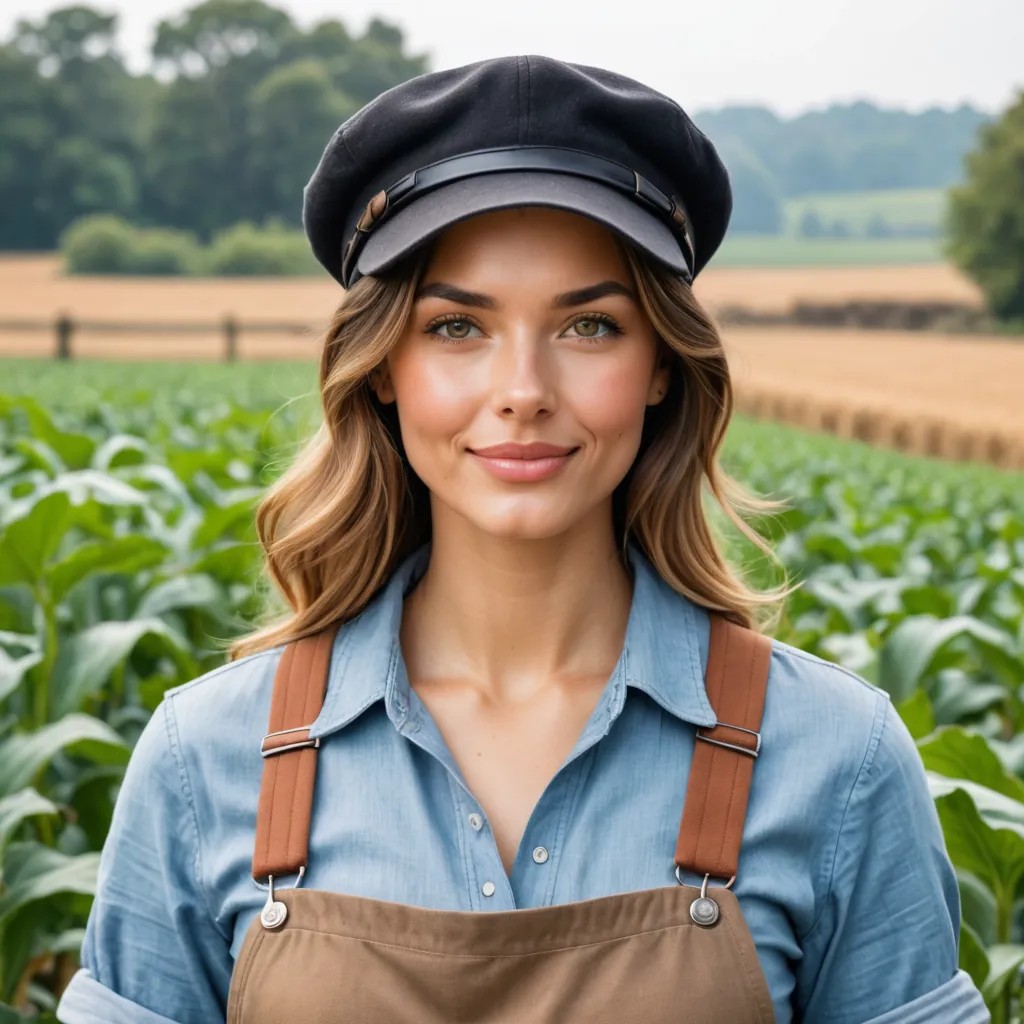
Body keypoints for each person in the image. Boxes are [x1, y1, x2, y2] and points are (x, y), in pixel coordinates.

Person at [56, 55, 988, 1023]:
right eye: (458, 326)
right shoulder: (202, 761)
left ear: (662, 365)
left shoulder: (838, 759)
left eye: (588, 325)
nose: (523, 389)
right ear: (385, 369)